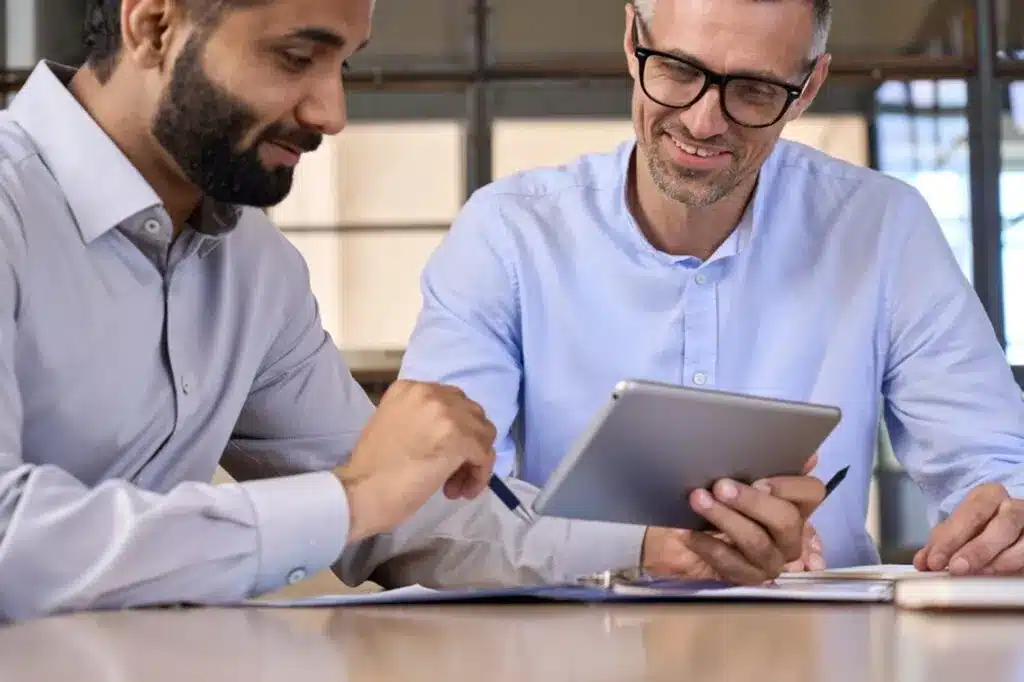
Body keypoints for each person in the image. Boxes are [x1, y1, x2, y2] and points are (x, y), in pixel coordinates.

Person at [0, 0, 801, 622]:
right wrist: (347, 500)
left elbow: (412, 518)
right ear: (155, 25)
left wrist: (663, 547)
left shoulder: (253, 267)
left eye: (344, 64)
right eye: (297, 57)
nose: (331, 113)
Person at [400, 0, 1024, 578]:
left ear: (807, 89)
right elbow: (436, 504)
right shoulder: (508, 233)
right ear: (631, 41)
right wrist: (644, 552)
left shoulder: (884, 228)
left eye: (753, 90)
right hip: (571, 642)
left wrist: (1002, 524)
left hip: (819, 642)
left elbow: (996, 467)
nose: (702, 122)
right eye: (675, 70)